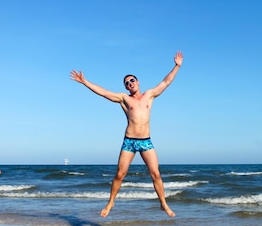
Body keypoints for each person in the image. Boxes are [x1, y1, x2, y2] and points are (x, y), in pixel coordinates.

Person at [70, 51, 183, 217]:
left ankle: (163, 204)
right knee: (120, 174)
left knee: (156, 174)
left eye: (132, 80)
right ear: (126, 87)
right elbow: (103, 92)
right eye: (127, 83)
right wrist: (84, 81)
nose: (130, 84)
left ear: (138, 82)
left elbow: (166, 82)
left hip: (146, 141)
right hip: (129, 141)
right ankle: (110, 203)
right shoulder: (124, 98)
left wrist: (177, 66)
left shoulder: (149, 95)